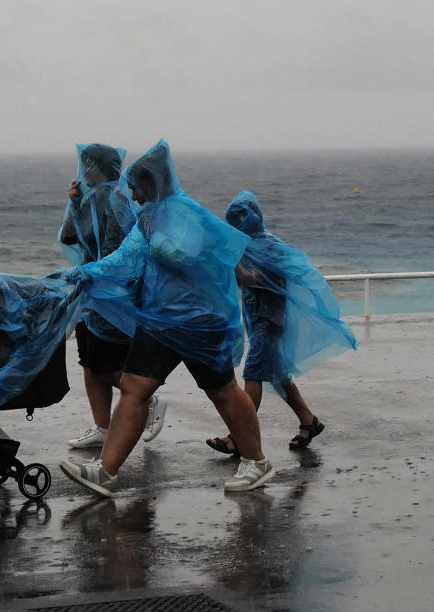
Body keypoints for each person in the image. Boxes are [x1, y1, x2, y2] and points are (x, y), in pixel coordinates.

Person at [58, 140, 274, 496]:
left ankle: (256, 460)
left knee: (222, 392)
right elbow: (124, 258)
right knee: (134, 387)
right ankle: (106, 471)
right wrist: (89, 273)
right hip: (159, 321)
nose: (133, 196)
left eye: (137, 189)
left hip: (200, 322)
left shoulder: (187, 213)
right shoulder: (147, 217)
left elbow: (182, 255)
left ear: (154, 183)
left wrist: (151, 233)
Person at [205, 190, 358, 455]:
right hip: (256, 321)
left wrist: (232, 261)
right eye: (233, 220)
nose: (236, 224)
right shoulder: (247, 246)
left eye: (240, 218)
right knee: (279, 376)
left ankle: (238, 438)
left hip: (270, 323)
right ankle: (308, 421)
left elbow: (256, 279)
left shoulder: (268, 246)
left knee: (253, 374)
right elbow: (241, 281)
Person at [57, 143, 167, 449]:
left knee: (108, 365)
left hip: (108, 293)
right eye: (83, 164)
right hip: (89, 289)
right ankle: (102, 427)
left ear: (103, 167)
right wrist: (75, 204)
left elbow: (117, 250)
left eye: (89, 165)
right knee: (90, 364)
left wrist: (97, 281)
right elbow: (68, 236)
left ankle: (150, 400)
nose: (84, 170)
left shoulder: (116, 199)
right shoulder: (89, 199)